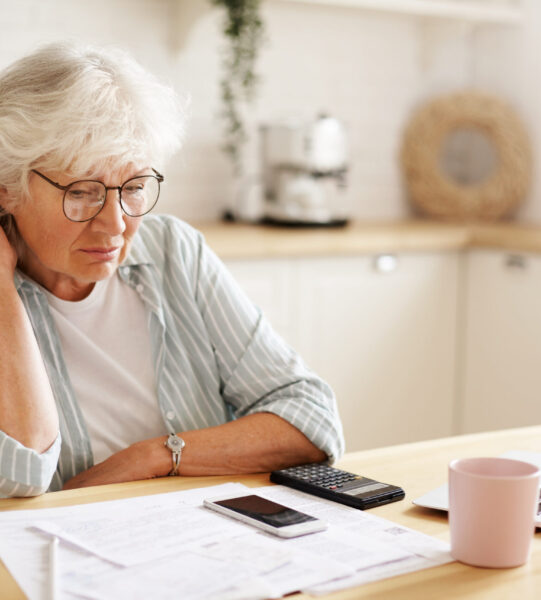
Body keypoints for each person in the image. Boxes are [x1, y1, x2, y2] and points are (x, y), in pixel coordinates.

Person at [0, 42, 344, 498]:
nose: (117, 223)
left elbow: (312, 421)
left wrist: (156, 457)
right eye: (82, 192)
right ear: (7, 187)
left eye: (135, 186)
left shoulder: (172, 252)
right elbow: (20, 477)